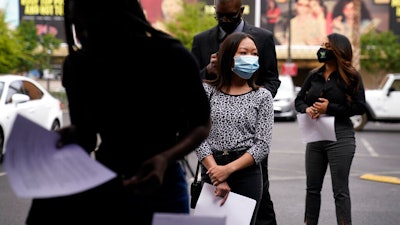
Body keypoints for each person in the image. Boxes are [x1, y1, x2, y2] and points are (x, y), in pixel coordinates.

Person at [25, 0, 211, 225]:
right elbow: (86, 137)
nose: (82, 35)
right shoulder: (79, 65)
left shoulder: (172, 57)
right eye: (76, 25)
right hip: (114, 182)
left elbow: (201, 124)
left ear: (117, 17)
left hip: (163, 184)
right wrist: (69, 137)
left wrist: (165, 158)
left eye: (89, 25)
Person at [191, 1, 280, 224]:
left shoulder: (261, 96)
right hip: (211, 167)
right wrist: (216, 173)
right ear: (228, 56)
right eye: (243, 53)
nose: (250, 58)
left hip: (247, 167)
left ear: (240, 11)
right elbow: (198, 133)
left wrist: (251, 99)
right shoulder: (207, 89)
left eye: (254, 54)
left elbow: (262, 144)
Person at [294, 33, 366, 225]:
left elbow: (360, 107)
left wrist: (330, 108)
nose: (322, 49)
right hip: (315, 135)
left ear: (338, 50)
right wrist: (306, 109)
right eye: (322, 45)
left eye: (327, 46)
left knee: (340, 191)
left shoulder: (351, 76)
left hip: (341, 137)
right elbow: (299, 100)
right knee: (312, 188)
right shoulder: (314, 75)